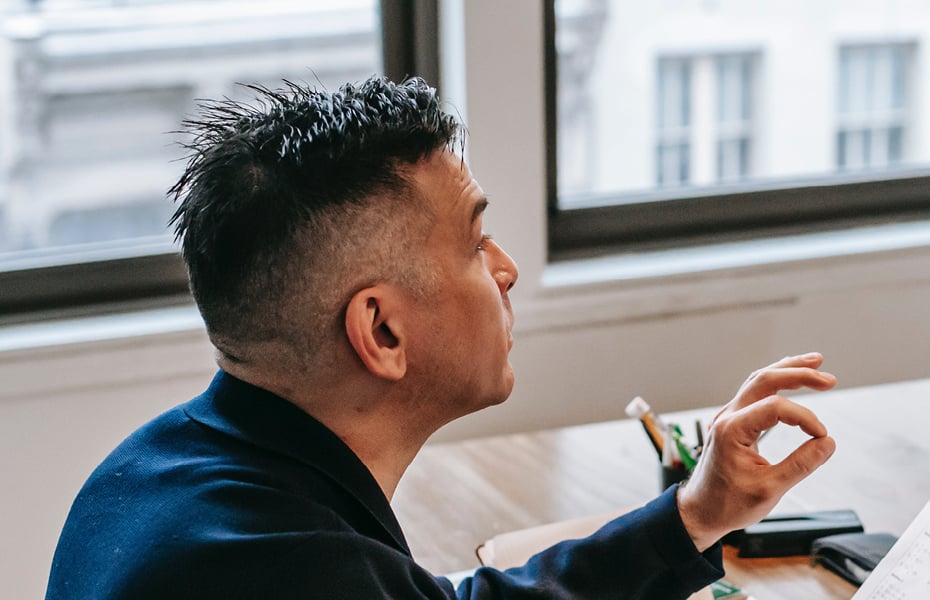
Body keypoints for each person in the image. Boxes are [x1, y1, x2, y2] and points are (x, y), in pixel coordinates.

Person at [45, 77, 839, 599]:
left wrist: (697, 512)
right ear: (382, 330)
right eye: (473, 242)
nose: (507, 269)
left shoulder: (157, 470)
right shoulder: (285, 571)